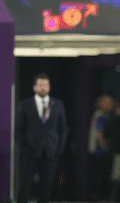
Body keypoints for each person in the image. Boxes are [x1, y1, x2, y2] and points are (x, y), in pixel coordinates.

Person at [15, 73, 69, 203]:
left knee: (46, 188)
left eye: (45, 85)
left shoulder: (58, 105)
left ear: (49, 87)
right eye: (40, 85)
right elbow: (18, 129)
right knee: (25, 187)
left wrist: (58, 149)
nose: (43, 88)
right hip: (30, 152)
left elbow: (63, 129)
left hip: (50, 152)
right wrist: (23, 148)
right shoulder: (25, 105)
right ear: (34, 87)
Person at [87, 94, 116, 200]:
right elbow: (99, 135)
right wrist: (106, 148)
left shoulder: (107, 116)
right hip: (100, 152)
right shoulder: (100, 116)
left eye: (110, 102)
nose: (109, 105)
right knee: (101, 176)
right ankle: (99, 197)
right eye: (106, 102)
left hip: (101, 152)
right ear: (100, 104)